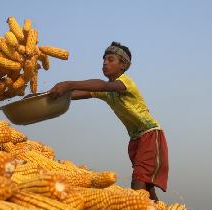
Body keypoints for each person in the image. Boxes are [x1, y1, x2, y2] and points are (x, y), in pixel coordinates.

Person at [48, 41, 168, 201]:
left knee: (138, 180)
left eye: (111, 59)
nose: (105, 62)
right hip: (135, 139)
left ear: (123, 65)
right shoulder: (106, 91)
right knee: (147, 186)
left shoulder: (125, 83)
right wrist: (47, 97)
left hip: (150, 134)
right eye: (104, 59)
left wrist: (68, 84)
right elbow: (74, 95)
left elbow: (101, 85)